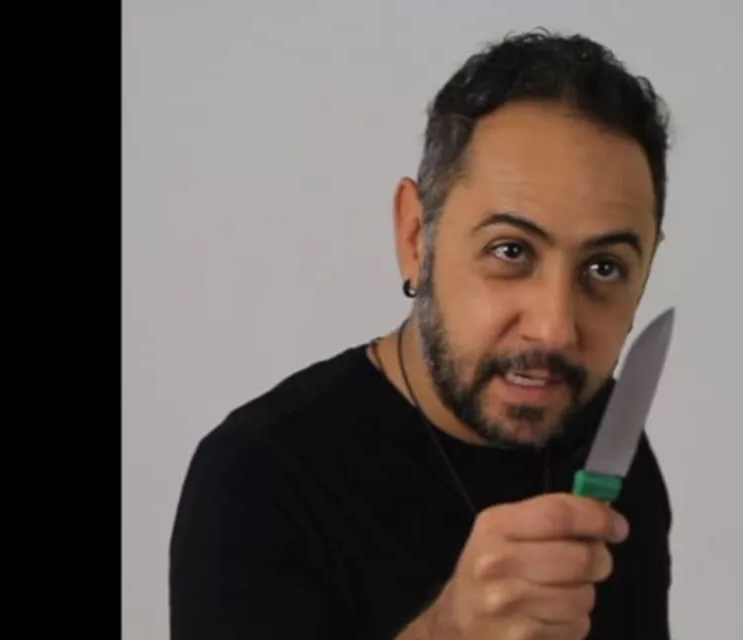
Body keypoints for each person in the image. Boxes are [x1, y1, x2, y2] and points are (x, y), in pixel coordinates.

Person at [169, 28, 674, 640]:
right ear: (416, 238)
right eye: (511, 251)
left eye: (605, 268)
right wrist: (448, 632)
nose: (554, 329)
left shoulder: (608, 440)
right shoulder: (257, 479)